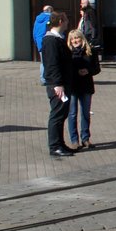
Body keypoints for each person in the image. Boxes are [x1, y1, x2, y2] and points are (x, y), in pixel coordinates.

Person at [41, 11, 74, 157]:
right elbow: (52, 64)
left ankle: (61, 143)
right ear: (60, 21)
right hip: (57, 85)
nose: (67, 23)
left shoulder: (58, 39)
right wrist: (57, 84)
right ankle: (54, 146)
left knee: (62, 114)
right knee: (57, 114)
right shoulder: (51, 40)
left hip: (64, 82)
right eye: (66, 20)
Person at [65, 28, 100, 150]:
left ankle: (86, 139)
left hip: (86, 86)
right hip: (73, 87)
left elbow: (97, 68)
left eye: (77, 38)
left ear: (82, 38)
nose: (75, 40)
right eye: (73, 39)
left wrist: (88, 71)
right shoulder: (67, 52)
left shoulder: (90, 51)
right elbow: (65, 70)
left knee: (85, 113)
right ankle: (74, 141)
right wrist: (76, 72)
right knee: (72, 114)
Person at [32, 4, 52, 84]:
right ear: (50, 10)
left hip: (40, 42)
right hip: (48, 42)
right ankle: (48, 78)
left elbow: (34, 32)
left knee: (43, 62)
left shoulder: (37, 19)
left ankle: (43, 79)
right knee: (50, 61)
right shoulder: (51, 18)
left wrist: (36, 42)